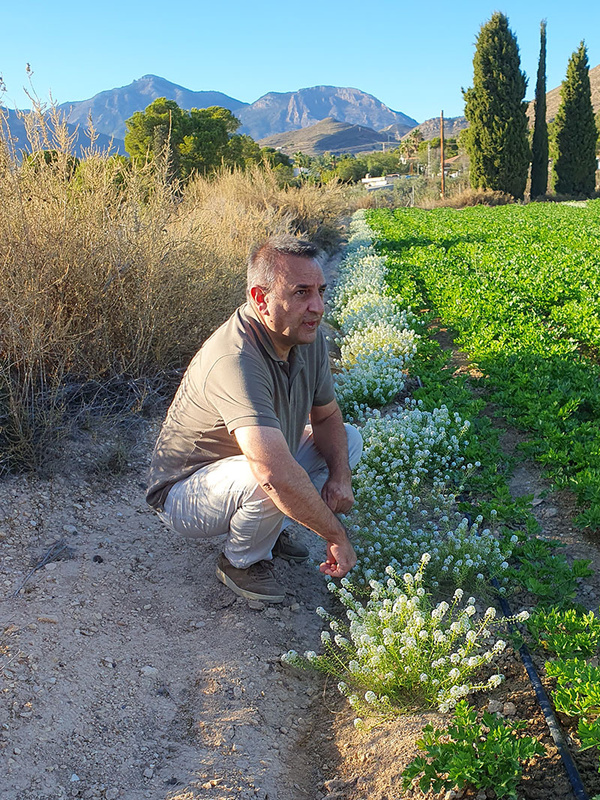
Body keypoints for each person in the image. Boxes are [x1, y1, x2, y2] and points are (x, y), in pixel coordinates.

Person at [146, 235, 362, 603]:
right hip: (185, 493)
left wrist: (341, 477)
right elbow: (272, 472)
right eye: (301, 293)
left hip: (247, 467)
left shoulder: (305, 337)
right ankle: (241, 562)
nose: (317, 307)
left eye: (320, 292)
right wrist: (336, 536)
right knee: (267, 476)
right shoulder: (236, 357)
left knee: (349, 439)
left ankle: (269, 529)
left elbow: (327, 417)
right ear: (261, 299)